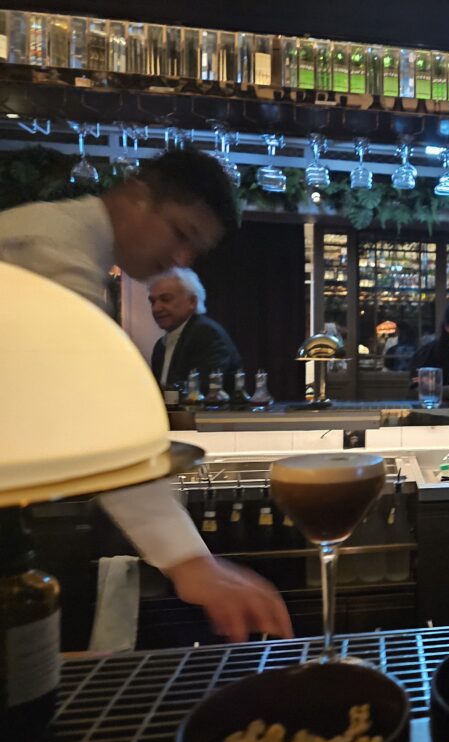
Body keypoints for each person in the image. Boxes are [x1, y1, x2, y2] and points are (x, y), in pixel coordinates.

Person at [0, 149, 293, 642]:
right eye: (181, 233)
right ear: (138, 196)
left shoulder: (63, 239)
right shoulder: (51, 250)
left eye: (194, 250)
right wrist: (189, 561)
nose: (181, 258)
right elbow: (96, 415)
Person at [148, 267, 242, 392]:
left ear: (192, 301)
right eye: (152, 301)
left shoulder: (206, 334)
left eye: (165, 299)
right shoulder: (160, 346)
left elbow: (202, 391)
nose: (156, 308)